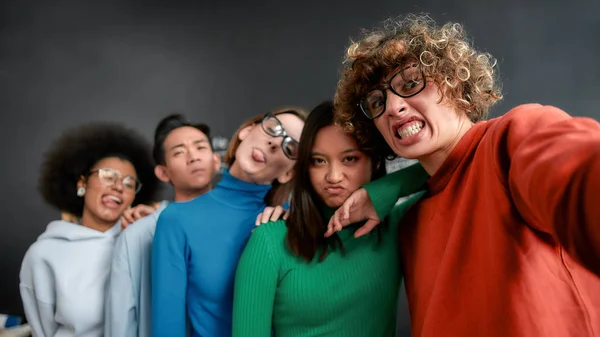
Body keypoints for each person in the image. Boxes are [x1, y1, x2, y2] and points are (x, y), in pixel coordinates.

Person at [327, 14, 600, 337]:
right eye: (377, 101)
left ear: (454, 81)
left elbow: (580, 175)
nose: (393, 107)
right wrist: (385, 190)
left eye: (411, 83)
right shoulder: (409, 223)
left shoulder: (509, 141)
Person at [232, 101, 428, 337]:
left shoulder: (395, 225)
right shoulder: (270, 240)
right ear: (305, 168)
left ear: (374, 161)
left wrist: (384, 190)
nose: (333, 177)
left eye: (349, 159)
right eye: (319, 161)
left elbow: (456, 159)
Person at [151, 107, 307, 337]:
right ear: (246, 130)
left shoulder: (293, 224)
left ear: (288, 174)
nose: (274, 143)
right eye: (274, 129)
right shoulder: (177, 220)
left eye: (290, 147)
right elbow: (167, 329)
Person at [19, 123, 160, 337]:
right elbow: (43, 329)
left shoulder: (142, 245)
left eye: (129, 183)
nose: (118, 186)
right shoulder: (43, 254)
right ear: (81, 183)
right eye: (108, 176)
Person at [104, 114, 221, 337]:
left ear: (216, 160)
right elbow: (120, 322)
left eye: (200, 147)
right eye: (179, 152)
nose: (193, 157)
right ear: (163, 172)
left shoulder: (250, 225)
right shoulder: (138, 234)